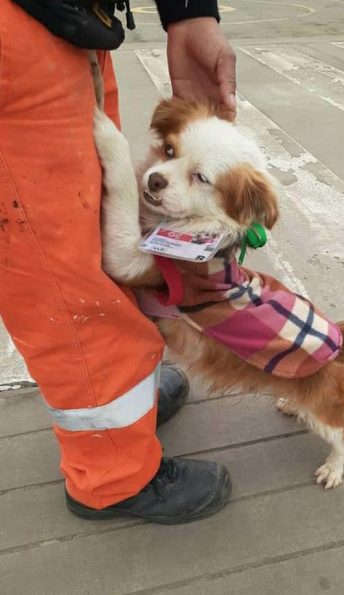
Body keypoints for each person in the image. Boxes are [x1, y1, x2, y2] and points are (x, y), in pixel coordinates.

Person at [0, 0, 236, 524]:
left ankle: (129, 403)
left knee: (91, 228)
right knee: (62, 282)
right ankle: (112, 475)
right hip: (16, 33)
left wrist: (189, 13)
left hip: (70, 23)